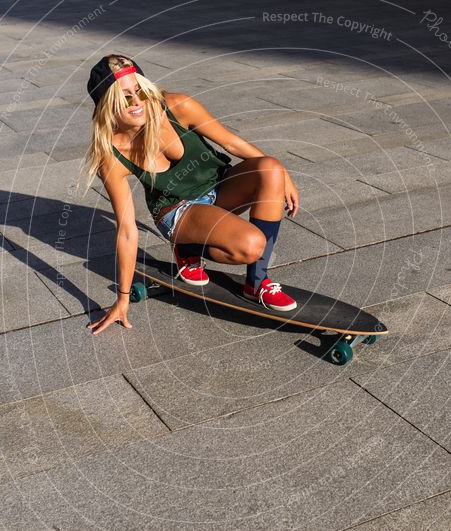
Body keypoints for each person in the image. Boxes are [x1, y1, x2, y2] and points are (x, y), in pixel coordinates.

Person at [78, 54, 300, 335]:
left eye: (140, 92)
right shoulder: (112, 155)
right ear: (106, 106)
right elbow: (126, 230)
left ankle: (256, 284)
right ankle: (187, 246)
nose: (137, 103)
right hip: (177, 210)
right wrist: (122, 299)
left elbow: (232, 142)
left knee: (270, 167)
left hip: (219, 187)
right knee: (251, 246)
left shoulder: (176, 106)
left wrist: (283, 177)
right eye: (125, 98)